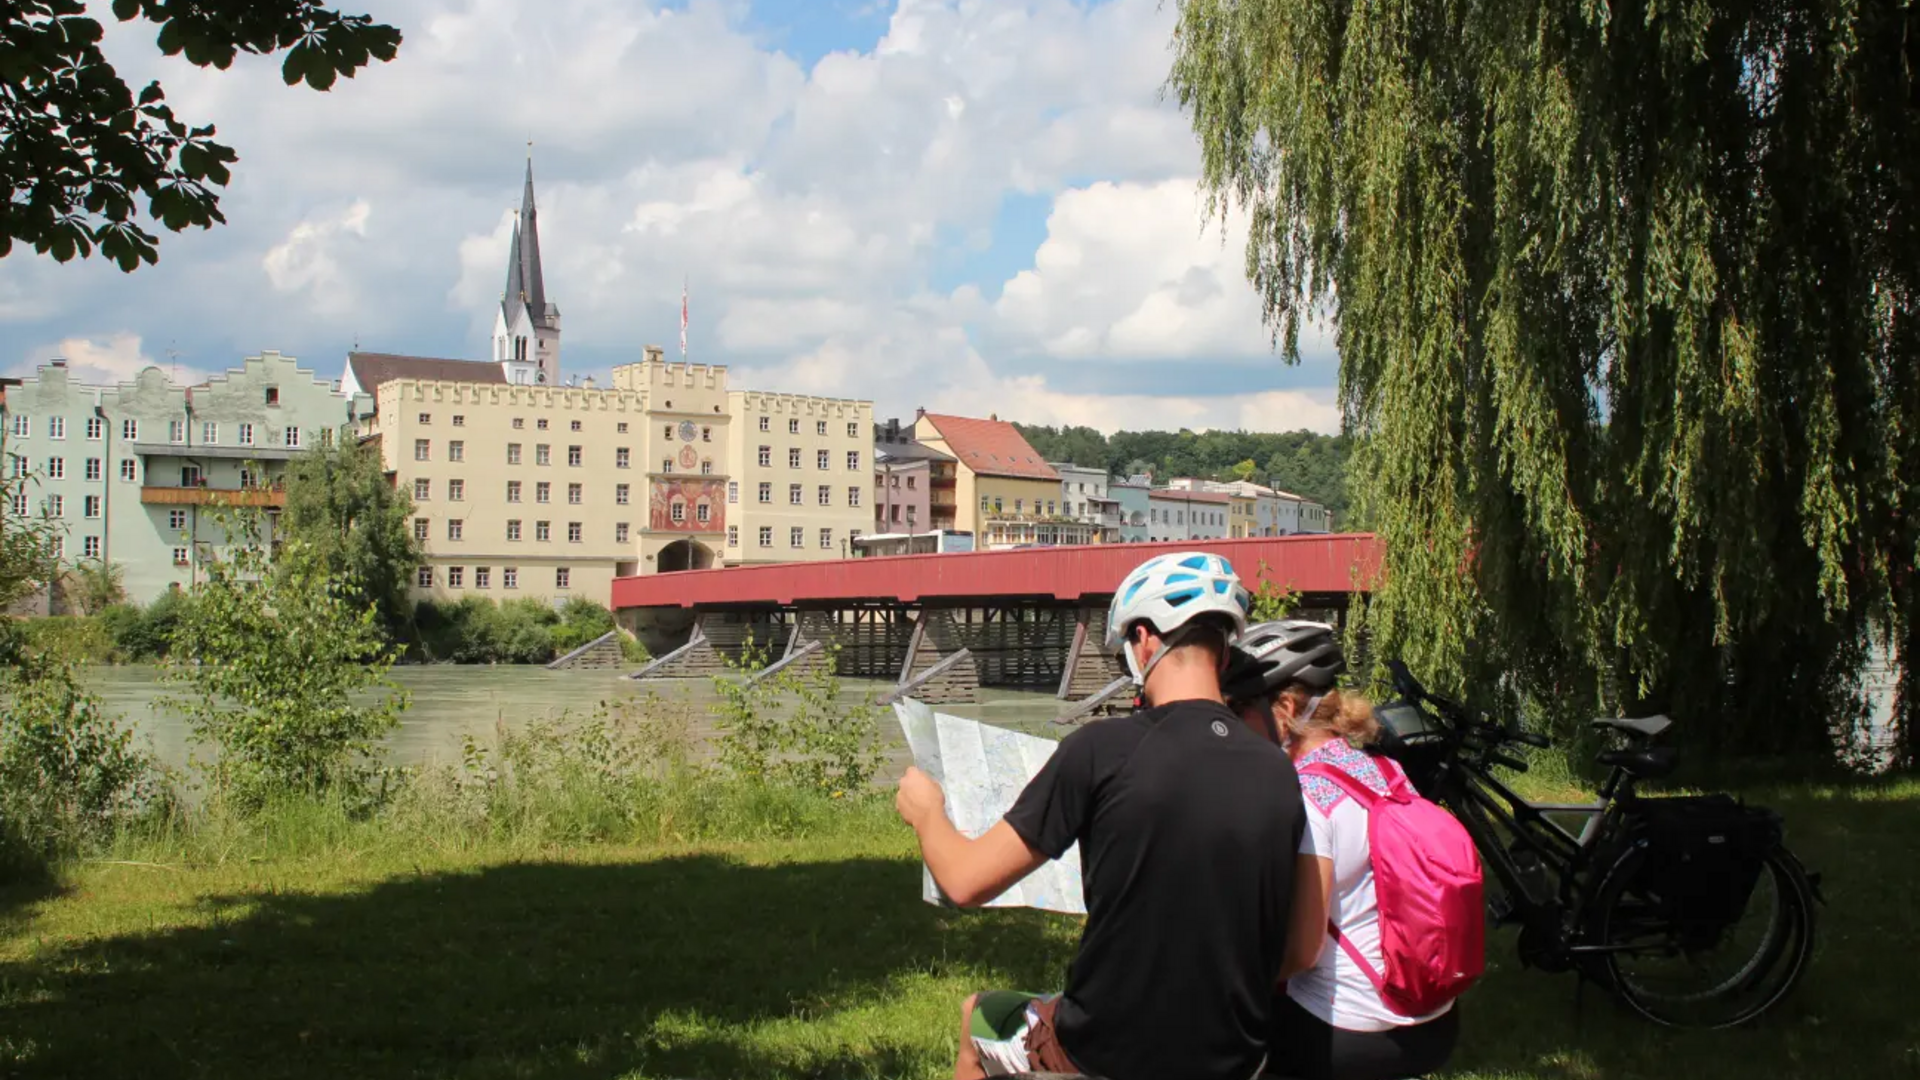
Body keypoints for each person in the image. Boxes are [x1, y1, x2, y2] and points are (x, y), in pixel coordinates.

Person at [894, 552, 1305, 1080]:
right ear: (1223, 656)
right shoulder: (1279, 772)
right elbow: (1289, 944)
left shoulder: (1102, 751)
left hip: (1107, 1054)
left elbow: (965, 881)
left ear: (1146, 640)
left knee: (977, 1017)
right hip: (1235, 1058)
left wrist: (927, 813)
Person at [1222, 621, 1461, 1080]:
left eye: (1240, 709)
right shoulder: (1386, 771)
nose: (1233, 725)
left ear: (1285, 709)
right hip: (1433, 1016)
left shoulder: (1307, 797)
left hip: (1351, 1032)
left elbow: (1303, 952)